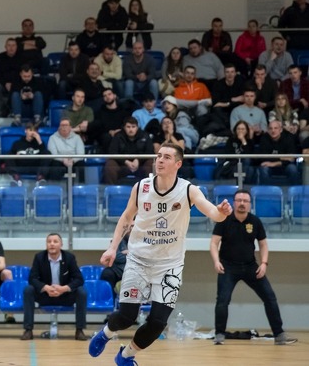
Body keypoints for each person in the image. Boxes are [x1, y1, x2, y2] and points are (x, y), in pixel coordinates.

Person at [89, 142, 233, 366]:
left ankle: (125, 356)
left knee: (157, 322)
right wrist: (113, 247)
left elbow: (213, 213)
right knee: (126, 316)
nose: (160, 160)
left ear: (178, 164)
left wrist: (222, 212)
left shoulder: (188, 190)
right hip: (138, 259)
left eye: (166, 157)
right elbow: (126, 217)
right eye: (158, 156)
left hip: (169, 265)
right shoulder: (141, 187)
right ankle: (106, 333)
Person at [210, 189, 297, 345]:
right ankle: (219, 335)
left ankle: (279, 335)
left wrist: (264, 263)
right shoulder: (224, 220)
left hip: (251, 267)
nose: (242, 203)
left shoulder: (255, 221)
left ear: (250, 204)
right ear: (234, 203)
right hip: (228, 267)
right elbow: (214, 243)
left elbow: (263, 244)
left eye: (245, 201)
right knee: (222, 301)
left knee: (269, 297)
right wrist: (216, 261)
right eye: (239, 200)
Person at [21, 233, 88, 341]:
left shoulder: (69, 258)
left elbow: (79, 279)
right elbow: (32, 279)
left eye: (55, 241)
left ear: (61, 244)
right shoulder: (39, 257)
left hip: (64, 295)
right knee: (28, 290)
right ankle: (28, 330)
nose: (52, 244)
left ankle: (79, 330)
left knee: (81, 292)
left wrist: (64, 288)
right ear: (46, 244)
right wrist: (46, 288)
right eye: (49, 241)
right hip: (46, 295)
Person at [103, 117, 154, 185]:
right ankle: (112, 188)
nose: (131, 129)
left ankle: (150, 187)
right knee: (110, 165)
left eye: (133, 127)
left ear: (137, 127)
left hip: (141, 163)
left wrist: (138, 160)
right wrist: (126, 161)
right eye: (128, 127)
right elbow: (112, 152)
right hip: (122, 164)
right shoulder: (118, 136)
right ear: (124, 127)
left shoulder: (145, 135)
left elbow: (150, 152)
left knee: (151, 163)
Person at [255, 120, 300, 185]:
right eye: (270, 128)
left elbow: (291, 158)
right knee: (263, 169)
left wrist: (274, 163)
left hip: (284, 166)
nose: (273, 131)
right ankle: (265, 190)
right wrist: (281, 158)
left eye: (276, 128)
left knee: (293, 169)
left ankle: (294, 190)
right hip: (269, 166)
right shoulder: (264, 138)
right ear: (268, 130)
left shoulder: (288, 138)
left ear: (281, 130)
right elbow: (262, 157)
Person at [0, 38, 21, 117]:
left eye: (13, 45)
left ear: (16, 47)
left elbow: (23, 74)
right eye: (9, 45)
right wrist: (5, 83)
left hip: (18, 85)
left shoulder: (22, 58)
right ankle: (5, 107)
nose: (11, 48)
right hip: (3, 85)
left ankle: (8, 109)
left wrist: (13, 84)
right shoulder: (0, 58)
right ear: (5, 47)